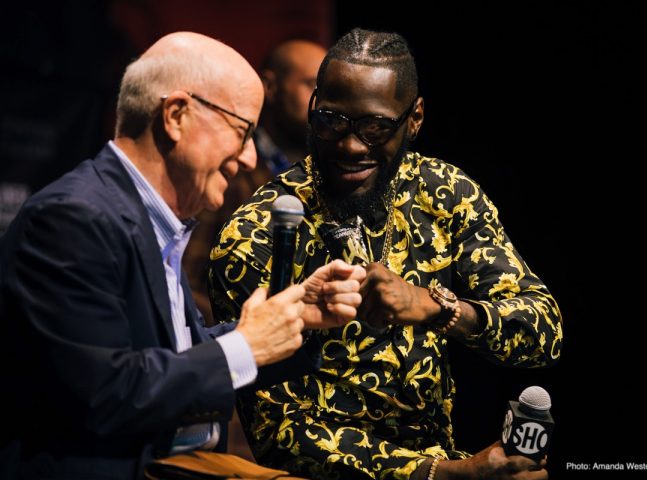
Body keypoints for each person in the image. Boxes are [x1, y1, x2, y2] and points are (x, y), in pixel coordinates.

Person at [0, 31, 364, 479]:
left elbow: (171, 357)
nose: (250, 158)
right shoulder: (73, 219)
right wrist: (245, 345)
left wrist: (294, 319)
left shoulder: (151, 221)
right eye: (243, 131)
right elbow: (107, 394)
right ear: (176, 115)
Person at [209, 29, 563, 480]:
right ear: (313, 106)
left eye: (375, 127)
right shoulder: (259, 233)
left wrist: (437, 308)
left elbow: (542, 332)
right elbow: (280, 434)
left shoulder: (446, 194)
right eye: (332, 120)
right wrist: (447, 474)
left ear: (414, 118)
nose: (351, 145)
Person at [183, 39, 327, 323]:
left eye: (328, 92)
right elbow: (184, 281)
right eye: (310, 85)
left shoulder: (325, 171)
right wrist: (245, 336)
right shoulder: (231, 169)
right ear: (271, 87)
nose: (320, 103)